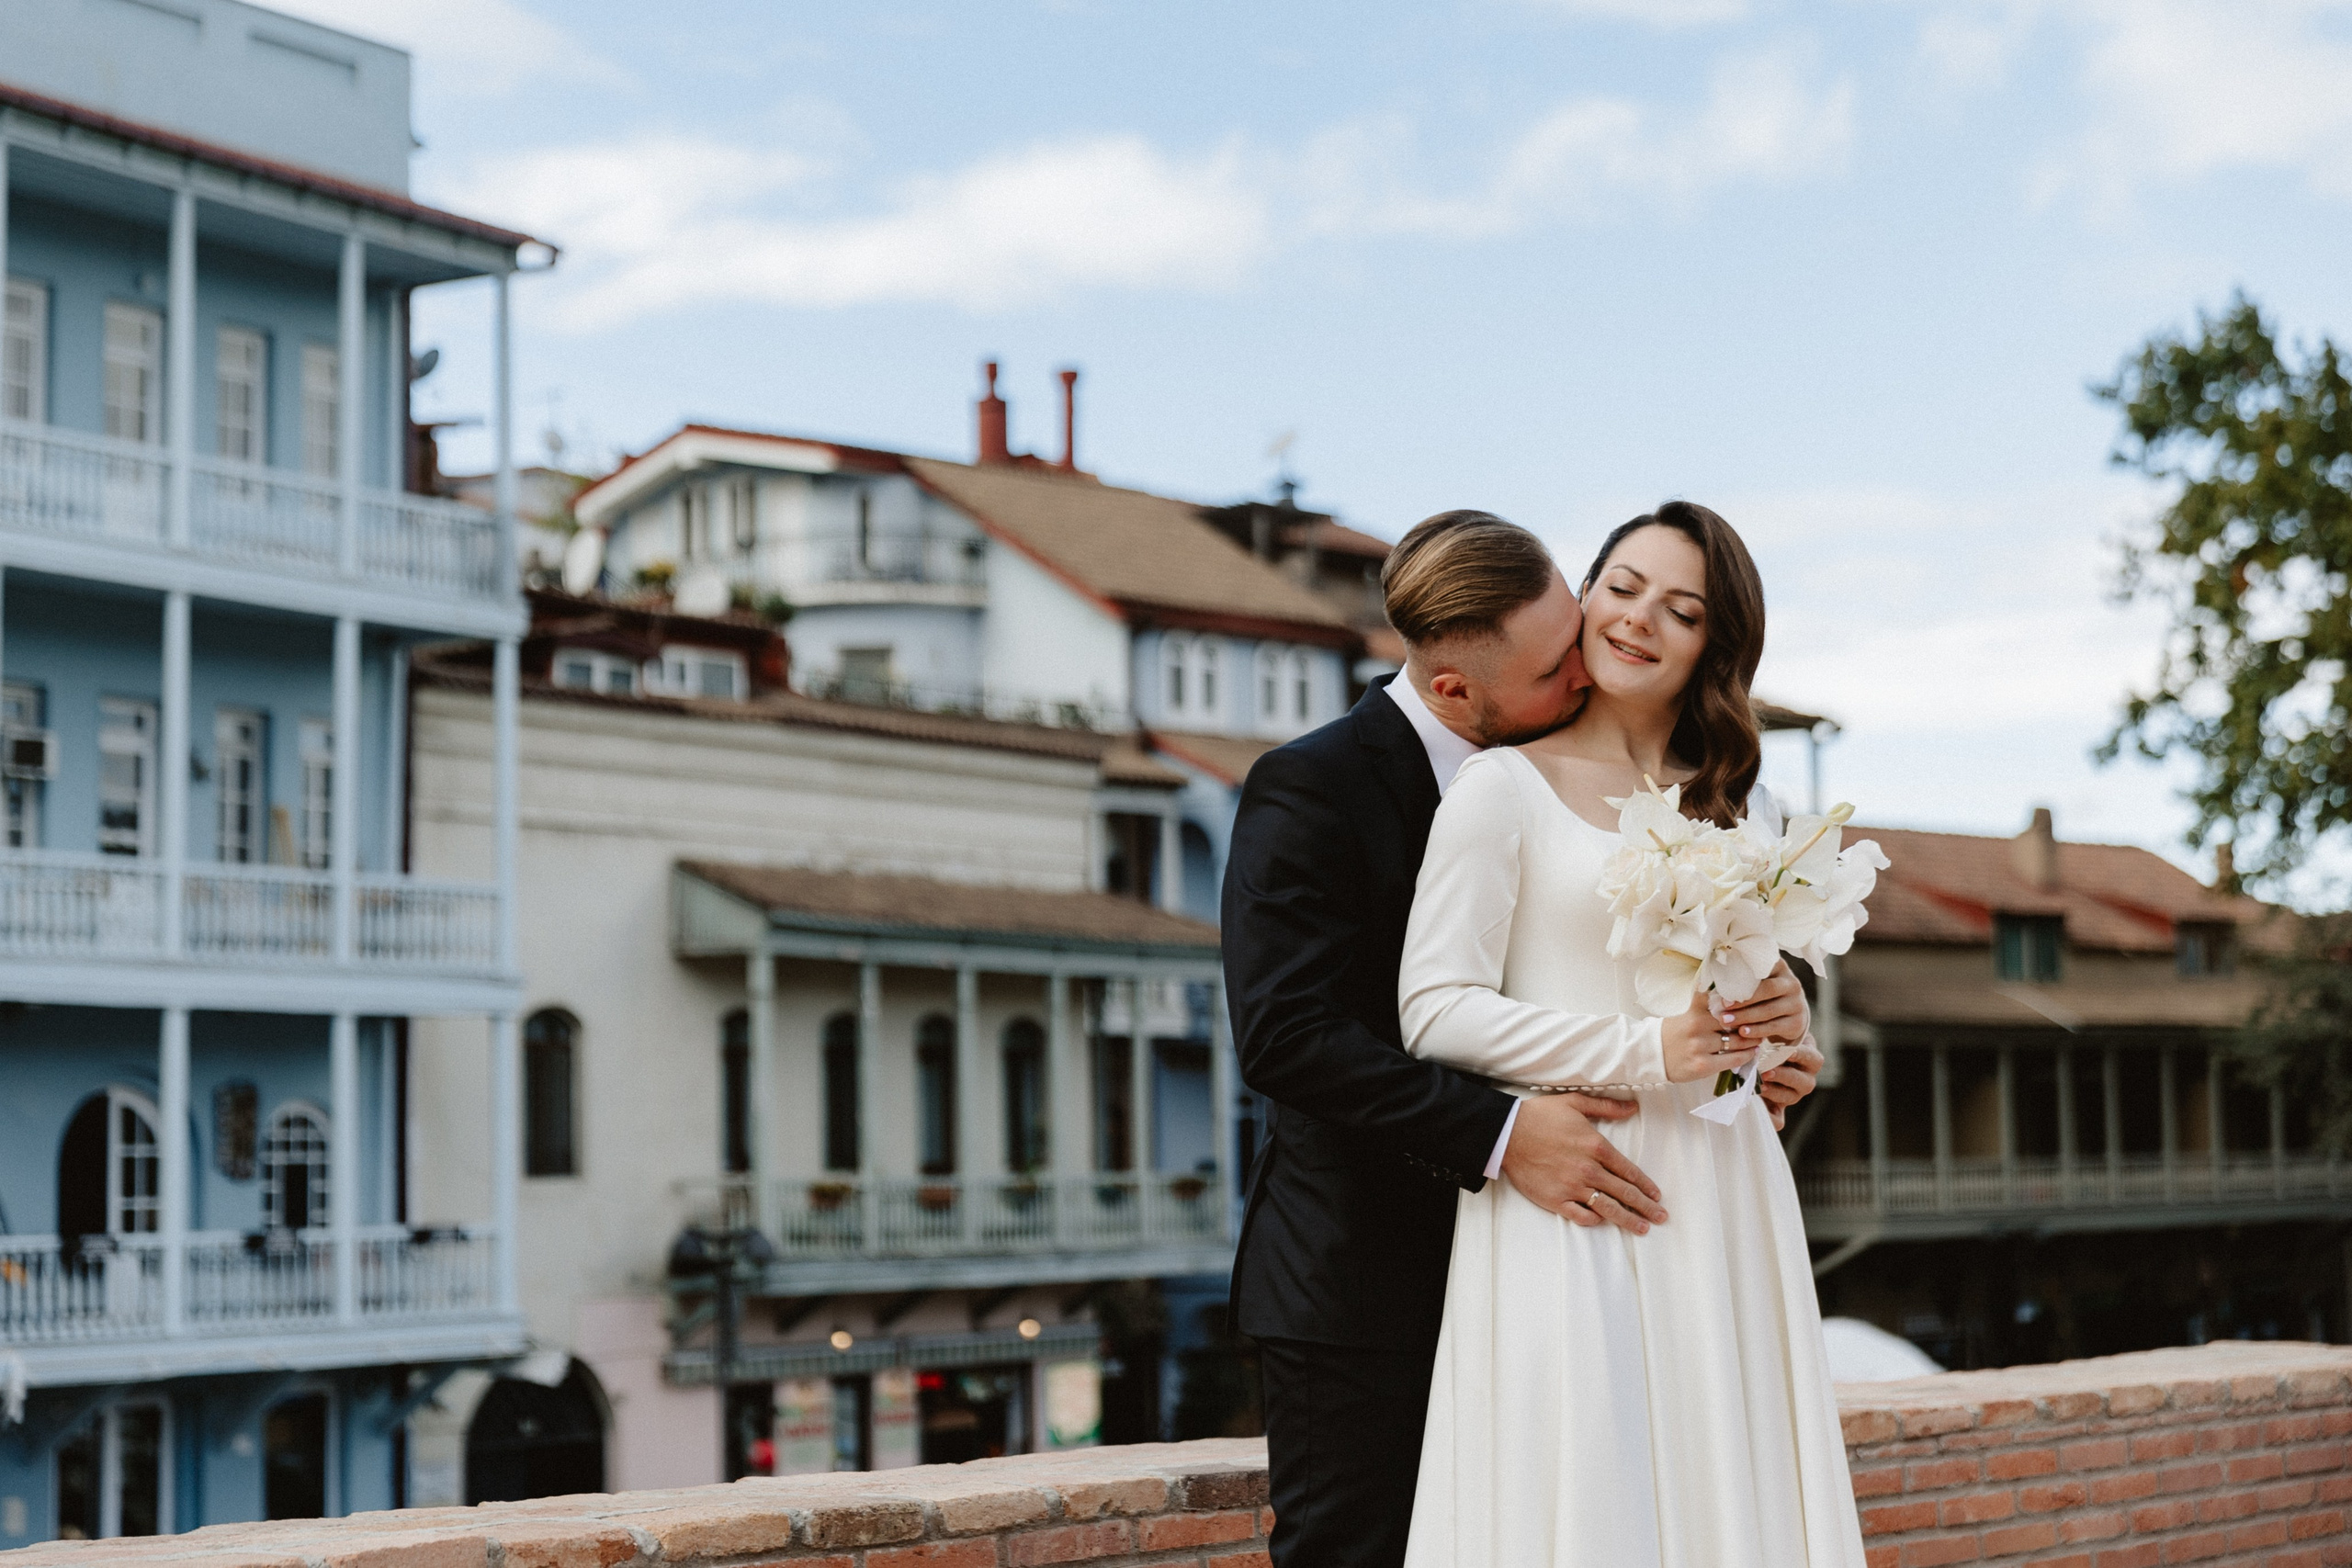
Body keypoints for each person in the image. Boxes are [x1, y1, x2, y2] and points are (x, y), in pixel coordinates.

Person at [1221, 510, 1824, 1568]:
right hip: (1368, 1266)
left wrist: (1775, 1016)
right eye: (1558, 666)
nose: (1593, 660)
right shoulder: (1321, 786)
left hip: (1625, 1222)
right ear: (1458, 690)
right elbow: (1289, 1035)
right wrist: (1503, 1133)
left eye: (1585, 620)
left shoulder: (1695, 787)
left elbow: (1661, 946)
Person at [1398, 502, 1867, 1566]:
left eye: (1682, 610)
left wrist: (1776, 1038)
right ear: (1584, 596)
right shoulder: (1498, 791)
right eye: (1622, 586)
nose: (1639, 618)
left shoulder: (1742, 809)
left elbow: (1733, 1023)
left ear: (1714, 645)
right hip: (1583, 1186)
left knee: (1727, 1486)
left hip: (1724, 1188)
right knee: (1586, 1488)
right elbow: (1434, 1010)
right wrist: (1644, 1052)